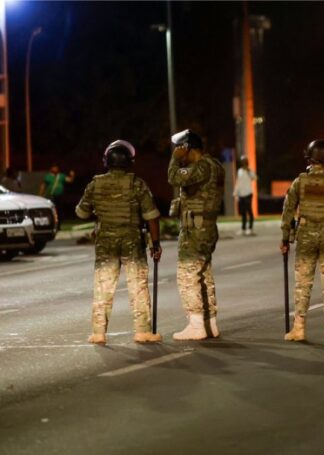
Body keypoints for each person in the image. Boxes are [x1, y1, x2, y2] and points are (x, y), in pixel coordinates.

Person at [75, 140, 162, 345]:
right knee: (138, 287)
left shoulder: (95, 184)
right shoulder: (137, 183)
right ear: (130, 162)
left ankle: (98, 333)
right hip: (132, 242)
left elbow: (81, 212)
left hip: (105, 242)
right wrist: (155, 244)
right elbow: (152, 216)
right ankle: (142, 332)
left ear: (106, 161)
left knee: (103, 287)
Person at [281, 140, 324, 342]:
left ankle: (299, 329)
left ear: (310, 158)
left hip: (306, 235)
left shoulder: (300, 181)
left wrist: (285, 238)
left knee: (303, 283)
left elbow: (288, 211)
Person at [168, 129, 225, 340]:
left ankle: (196, 324)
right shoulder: (215, 165)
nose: (176, 151)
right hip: (207, 226)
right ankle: (210, 324)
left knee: (187, 274)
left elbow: (173, 178)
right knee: (204, 275)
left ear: (187, 147)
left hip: (196, 229)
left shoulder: (201, 166)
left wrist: (174, 161)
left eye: (179, 148)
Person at [234, 155, 258, 236]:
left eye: (244, 161)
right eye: (242, 162)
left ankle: (250, 228)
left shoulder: (250, 171)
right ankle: (243, 229)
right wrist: (235, 193)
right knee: (243, 212)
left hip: (248, 193)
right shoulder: (239, 171)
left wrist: (249, 171)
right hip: (241, 194)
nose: (243, 163)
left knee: (249, 211)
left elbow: (255, 178)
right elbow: (238, 183)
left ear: (246, 162)